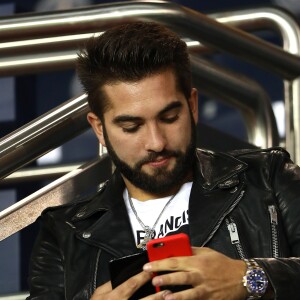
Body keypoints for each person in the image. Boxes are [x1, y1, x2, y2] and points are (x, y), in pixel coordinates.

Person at [27, 21, 300, 300]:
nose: (156, 142)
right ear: (100, 128)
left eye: (169, 118)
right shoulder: (65, 233)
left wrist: (251, 278)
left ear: (192, 106)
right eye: (132, 127)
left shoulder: (268, 177)